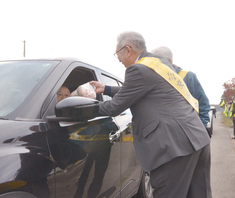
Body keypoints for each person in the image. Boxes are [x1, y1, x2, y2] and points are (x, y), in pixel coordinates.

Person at [90, 31, 211, 198]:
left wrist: (87, 106)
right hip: (198, 139)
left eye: (117, 53)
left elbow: (113, 108)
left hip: (174, 149)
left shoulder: (137, 69)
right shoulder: (158, 63)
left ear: (127, 49)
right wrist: (107, 89)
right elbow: (144, 89)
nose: (118, 59)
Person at [150, 46, 211, 136]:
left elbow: (202, 104)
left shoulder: (188, 77)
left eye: (157, 62)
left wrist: (200, 129)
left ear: (169, 61)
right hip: (163, 136)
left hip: (188, 134)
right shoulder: (152, 79)